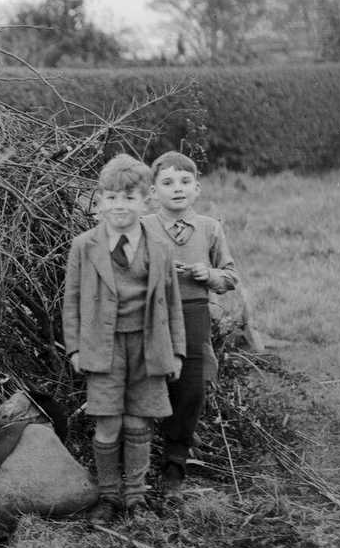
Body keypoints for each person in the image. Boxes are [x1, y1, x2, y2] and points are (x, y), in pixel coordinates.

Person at [63, 154, 185, 523]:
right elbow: (71, 301)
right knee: (108, 422)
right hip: (103, 348)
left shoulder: (160, 247)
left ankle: (135, 496)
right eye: (112, 198)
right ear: (99, 201)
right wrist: (75, 347)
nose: (119, 206)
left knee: (137, 423)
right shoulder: (84, 246)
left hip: (148, 348)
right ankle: (109, 496)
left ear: (146, 200)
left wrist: (177, 351)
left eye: (129, 198)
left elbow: (174, 302)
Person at [144, 151, 238, 496]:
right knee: (155, 379)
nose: (177, 189)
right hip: (151, 313)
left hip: (194, 310)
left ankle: (175, 460)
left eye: (185, 182)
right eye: (167, 183)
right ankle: (142, 451)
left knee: (191, 386)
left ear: (197, 188)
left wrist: (208, 274)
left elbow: (231, 277)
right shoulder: (144, 226)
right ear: (153, 193)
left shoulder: (210, 228)